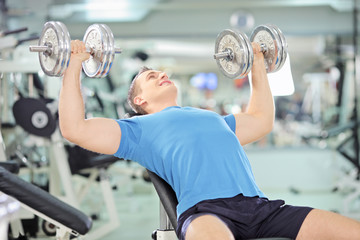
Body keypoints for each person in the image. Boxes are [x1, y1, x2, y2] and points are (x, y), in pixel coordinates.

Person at [59, 39, 360, 240]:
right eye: (151, 77)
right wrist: (73, 64)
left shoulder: (211, 117)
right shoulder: (138, 129)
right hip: (206, 212)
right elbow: (74, 129)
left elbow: (261, 119)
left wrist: (257, 61)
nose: (161, 74)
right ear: (139, 99)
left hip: (261, 208)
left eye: (159, 72)